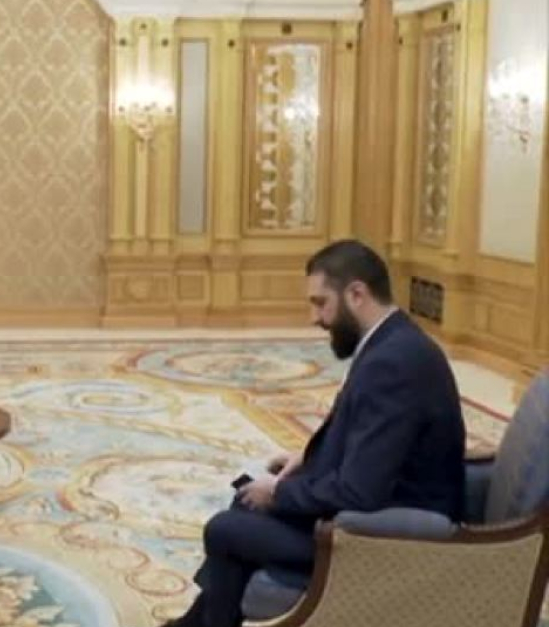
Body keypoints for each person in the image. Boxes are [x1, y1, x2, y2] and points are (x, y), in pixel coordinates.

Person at [165, 240, 466, 627]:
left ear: (356, 294)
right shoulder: (393, 343)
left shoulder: (393, 363)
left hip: (388, 536)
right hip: (376, 511)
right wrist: (306, 459)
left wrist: (279, 493)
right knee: (246, 503)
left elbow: (360, 493)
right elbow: (371, 441)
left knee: (225, 529)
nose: (315, 317)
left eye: (321, 303)